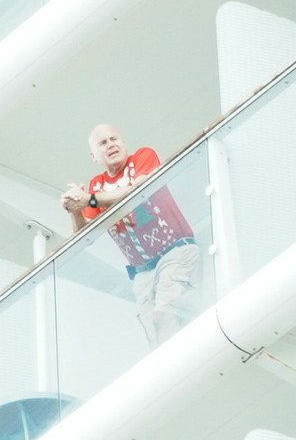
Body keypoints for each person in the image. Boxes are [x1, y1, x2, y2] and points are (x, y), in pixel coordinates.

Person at [67, 122, 206, 343]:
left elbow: (137, 191)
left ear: (124, 142)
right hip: (143, 272)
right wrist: (74, 208)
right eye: (103, 143)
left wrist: (89, 200)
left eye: (114, 139)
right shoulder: (97, 185)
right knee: (153, 331)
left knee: (165, 315)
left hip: (174, 253)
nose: (110, 145)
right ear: (93, 156)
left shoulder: (143, 157)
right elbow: (84, 235)